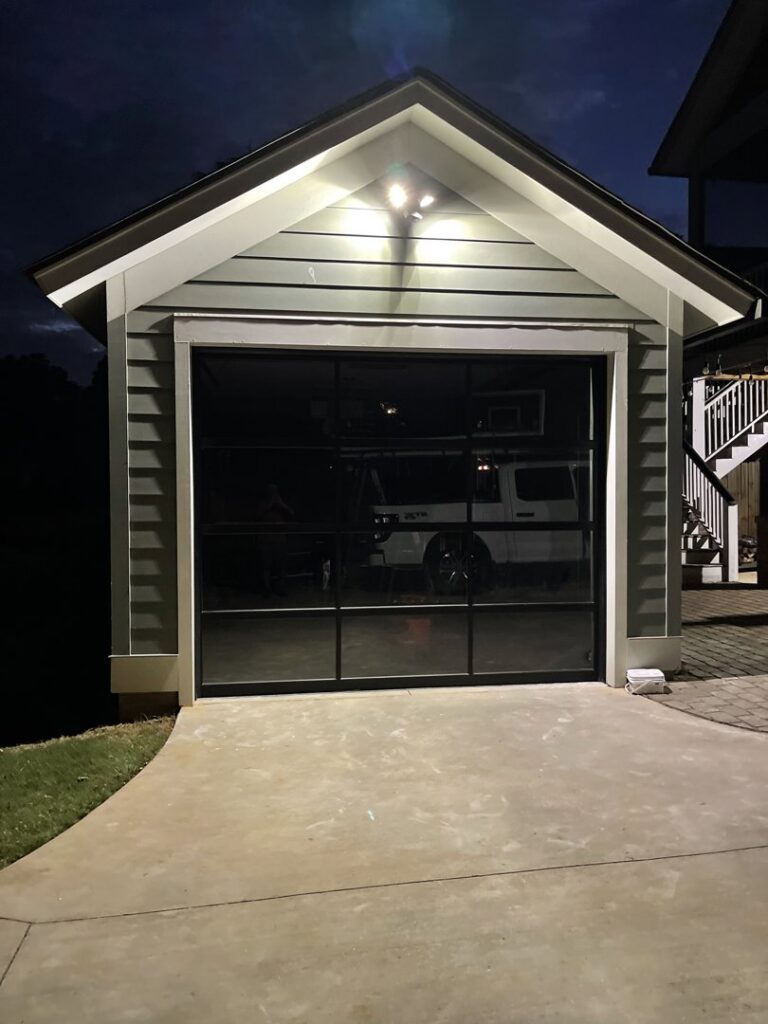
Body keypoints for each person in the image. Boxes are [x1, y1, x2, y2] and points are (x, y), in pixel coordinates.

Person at [255, 483, 294, 597]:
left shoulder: (281, 505)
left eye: (275, 491)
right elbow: (257, 516)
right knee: (265, 565)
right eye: (271, 491)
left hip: (280, 539)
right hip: (265, 539)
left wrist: (282, 505)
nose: (273, 494)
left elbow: (292, 514)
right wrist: (269, 505)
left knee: (281, 565)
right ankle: (266, 588)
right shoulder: (262, 504)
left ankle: (280, 588)